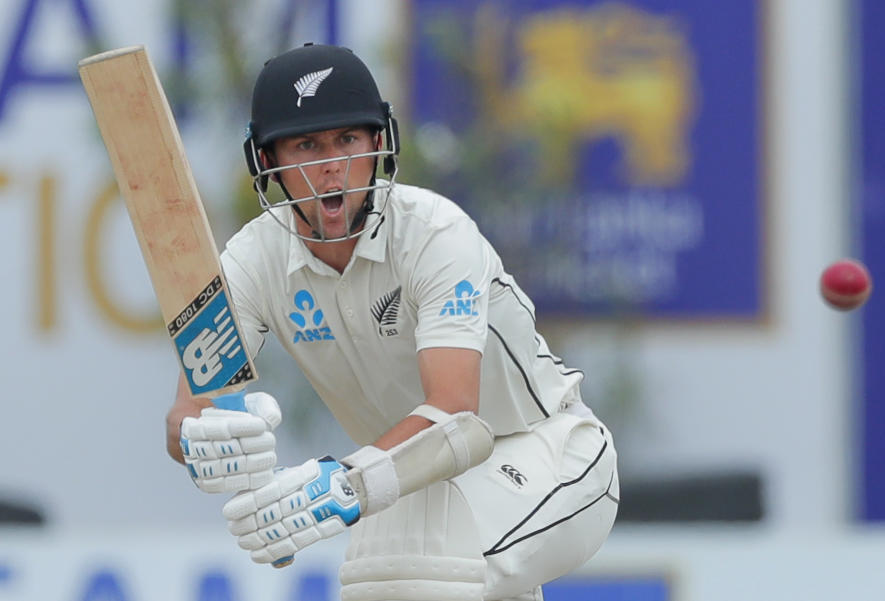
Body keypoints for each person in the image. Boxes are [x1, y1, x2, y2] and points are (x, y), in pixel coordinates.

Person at [166, 43, 619, 601]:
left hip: (549, 452)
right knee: (378, 576)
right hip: (412, 486)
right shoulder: (250, 262)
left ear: (378, 143)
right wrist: (216, 448)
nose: (330, 165)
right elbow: (188, 414)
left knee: (418, 571)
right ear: (269, 161)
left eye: (347, 140)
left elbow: (456, 412)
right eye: (307, 144)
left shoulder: (434, 234)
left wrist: (343, 482)